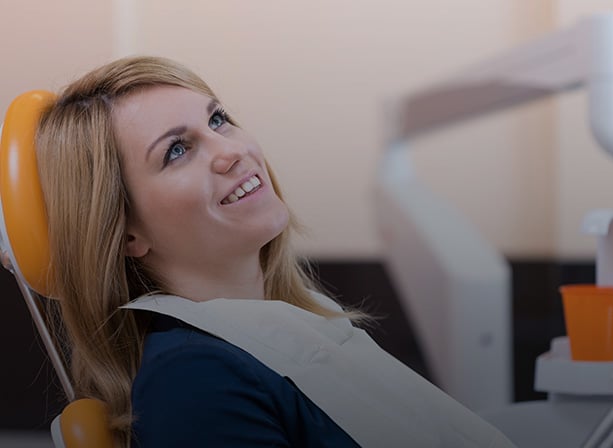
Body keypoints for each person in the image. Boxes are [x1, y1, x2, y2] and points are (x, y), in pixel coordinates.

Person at [34, 56, 516, 448]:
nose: (230, 151)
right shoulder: (194, 379)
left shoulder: (296, 324)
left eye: (218, 119)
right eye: (177, 150)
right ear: (126, 234)